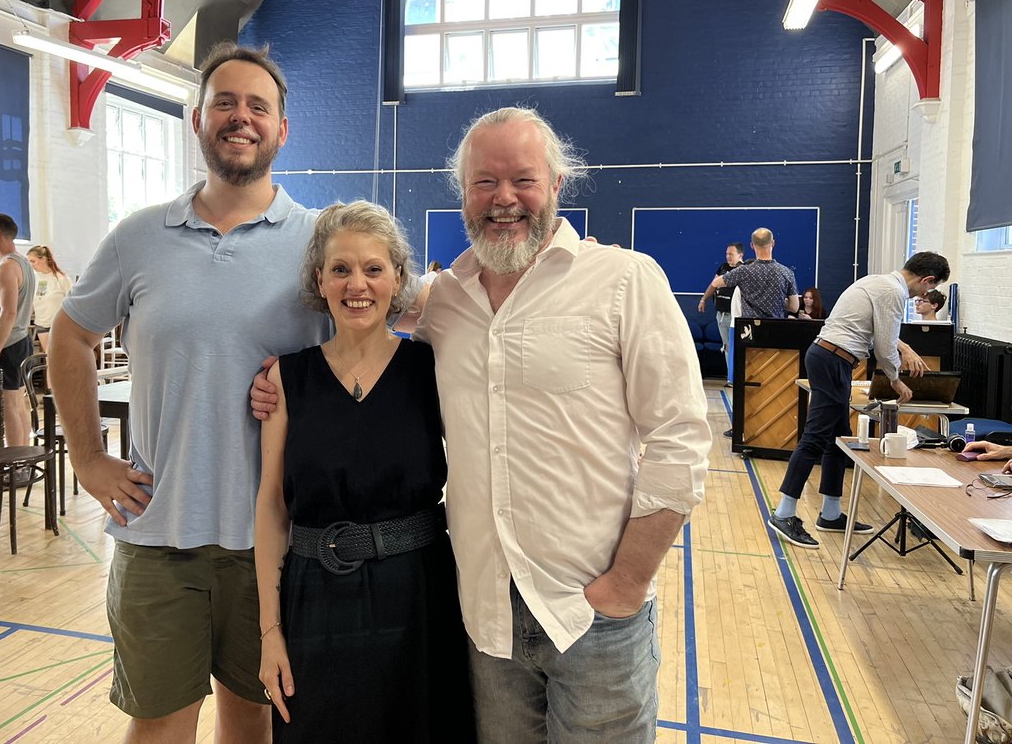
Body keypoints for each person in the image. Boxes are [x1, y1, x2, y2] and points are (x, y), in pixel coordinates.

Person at [252, 107, 713, 739]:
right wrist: (282, 378)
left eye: (523, 179)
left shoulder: (624, 281)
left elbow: (682, 441)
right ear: (462, 194)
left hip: (591, 617)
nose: (504, 199)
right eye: (484, 183)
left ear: (556, 185)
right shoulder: (446, 302)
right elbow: (361, 304)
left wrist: (626, 583)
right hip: (485, 620)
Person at [49, 42, 329, 743]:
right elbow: (68, 337)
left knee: (253, 722)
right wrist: (86, 458)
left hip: (273, 542)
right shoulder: (139, 237)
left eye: (258, 106)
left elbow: (392, 324)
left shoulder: (321, 241)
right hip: (158, 538)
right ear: (198, 120)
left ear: (282, 129)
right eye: (225, 103)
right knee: (159, 728)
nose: (241, 118)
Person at [255, 201, 473, 741]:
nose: (358, 284)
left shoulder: (432, 368)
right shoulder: (287, 377)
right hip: (314, 600)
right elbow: (270, 508)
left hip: (419, 595)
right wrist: (269, 631)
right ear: (320, 280)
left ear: (398, 278)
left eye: (374, 269)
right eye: (341, 269)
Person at [767, 252, 951, 550]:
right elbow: (884, 345)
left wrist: (901, 347)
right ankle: (784, 512)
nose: (925, 294)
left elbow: (880, 330)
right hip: (832, 360)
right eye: (929, 288)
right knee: (814, 439)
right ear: (926, 279)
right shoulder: (894, 292)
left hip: (830, 358)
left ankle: (830, 513)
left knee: (838, 439)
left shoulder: (878, 281)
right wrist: (894, 379)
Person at [0, 212, 34, 449]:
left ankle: (16, 463)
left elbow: (8, 312)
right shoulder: (22, 264)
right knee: (17, 403)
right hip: (19, 340)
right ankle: (22, 458)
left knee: (6, 404)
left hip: (7, 344)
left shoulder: (7, 267)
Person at [701, 228, 798, 319]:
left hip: (750, 330)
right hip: (775, 329)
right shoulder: (787, 273)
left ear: (752, 245)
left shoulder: (743, 271)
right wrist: (778, 301)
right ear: (773, 243)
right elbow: (794, 307)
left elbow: (715, 283)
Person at [697, 241, 744, 354]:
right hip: (721, 315)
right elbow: (713, 284)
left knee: (737, 348)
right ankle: (730, 371)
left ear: (740, 255)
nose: (728, 256)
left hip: (735, 316)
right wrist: (703, 299)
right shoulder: (723, 267)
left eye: (731, 254)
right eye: (727, 254)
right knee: (726, 346)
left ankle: (736, 371)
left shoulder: (744, 270)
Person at [25, 245, 73, 353]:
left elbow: (73, 302)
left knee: (60, 356)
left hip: (59, 324)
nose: (31, 265)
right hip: (42, 323)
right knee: (48, 357)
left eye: (33, 261)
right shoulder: (33, 279)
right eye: (29, 262)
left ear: (44, 259)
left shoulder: (61, 278)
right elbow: (31, 303)